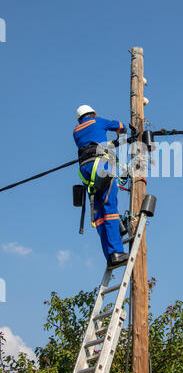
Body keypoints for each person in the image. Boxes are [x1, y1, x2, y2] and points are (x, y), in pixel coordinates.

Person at [73, 105, 128, 268]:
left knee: (99, 213)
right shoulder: (97, 121)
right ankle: (117, 251)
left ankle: (110, 256)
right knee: (109, 208)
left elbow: (94, 144)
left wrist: (113, 143)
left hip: (85, 170)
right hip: (101, 166)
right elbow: (120, 126)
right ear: (93, 113)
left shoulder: (76, 131)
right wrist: (122, 137)